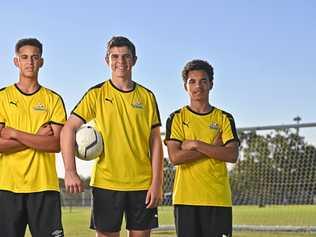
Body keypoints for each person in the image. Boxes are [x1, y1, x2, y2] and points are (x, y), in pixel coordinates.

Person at [61, 36, 163, 237]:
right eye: (114, 56)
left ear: (134, 60)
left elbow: (156, 142)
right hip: (106, 183)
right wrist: (70, 171)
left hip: (142, 183)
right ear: (106, 60)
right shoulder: (96, 94)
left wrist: (157, 184)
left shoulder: (147, 96)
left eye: (126, 56)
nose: (120, 62)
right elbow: (68, 128)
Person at [164, 59, 239, 237]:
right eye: (192, 81)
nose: (198, 86)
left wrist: (196, 145)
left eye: (203, 81)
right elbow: (175, 157)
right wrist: (213, 148)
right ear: (185, 86)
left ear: (211, 84)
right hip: (185, 199)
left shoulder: (224, 118)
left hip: (217, 199)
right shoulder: (176, 118)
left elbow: (231, 154)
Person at [0, 38, 66, 237]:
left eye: (34, 57)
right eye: (24, 57)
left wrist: (15, 133)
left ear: (41, 62)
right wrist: (38, 137)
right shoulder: (2, 97)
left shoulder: (53, 99)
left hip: (44, 186)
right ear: (16, 61)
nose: (30, 62)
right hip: (7, 187)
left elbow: (55, 144)